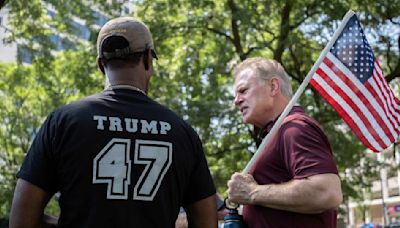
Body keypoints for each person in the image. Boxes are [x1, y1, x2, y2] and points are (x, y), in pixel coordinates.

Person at [10, 17, 217, 228]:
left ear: (100, 65)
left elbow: (21, 220)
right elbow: (206, 222)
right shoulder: (182, 132)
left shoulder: (63, 122)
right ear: (148, 59)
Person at [227, 57, 342, 228]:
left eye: (243, 90)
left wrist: (252, 192)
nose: (236, 101)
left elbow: (327, 192)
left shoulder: (294, 127)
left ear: (273, 87)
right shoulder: (277, 132)